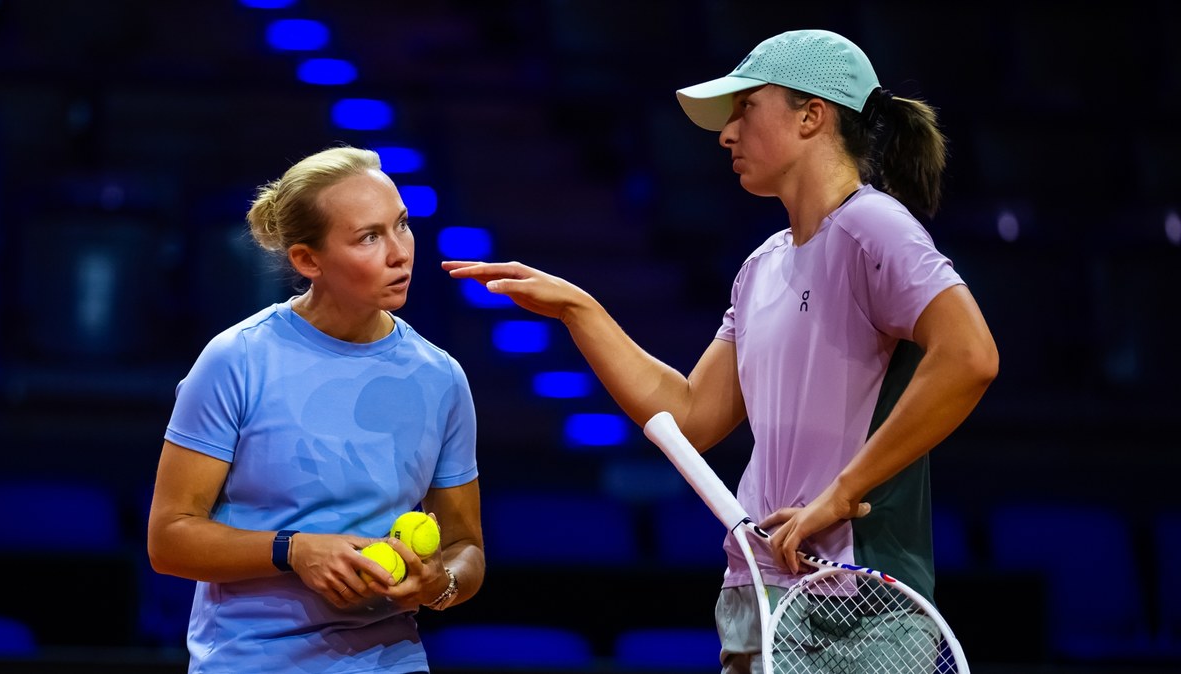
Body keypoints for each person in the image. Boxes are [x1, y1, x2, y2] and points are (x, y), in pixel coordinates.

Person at [444, 28, 996, 673]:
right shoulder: (762, 266)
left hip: (857, 592)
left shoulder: (871, 226)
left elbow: (970, 357)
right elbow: (691, 415)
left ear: (812, 115)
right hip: (758, 589)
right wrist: (578, 311)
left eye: (745, 109)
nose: (726, 134)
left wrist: (843, 491)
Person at [148, 145, 483, 674]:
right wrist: (294, 550)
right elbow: (169, 540)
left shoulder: (440, 376)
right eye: (369, 237)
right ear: (308, 260)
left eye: (402, 225)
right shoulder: (237, 359)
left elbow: (467, 547)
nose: (400, 252)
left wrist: (439, 584)